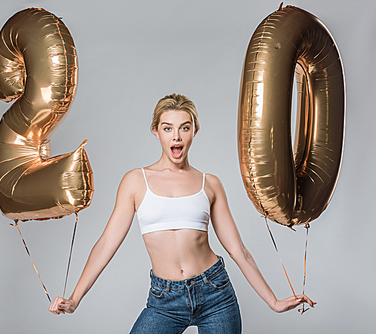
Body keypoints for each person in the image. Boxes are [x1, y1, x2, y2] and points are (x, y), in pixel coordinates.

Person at [48, 94, 315, 333]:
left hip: (216, 294)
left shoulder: (209, 184)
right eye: (168, 128)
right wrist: (75, 298)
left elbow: (239, 251)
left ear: (194, 131)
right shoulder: (135, 181)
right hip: (165, 300)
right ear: (156, 132)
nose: (176, 136)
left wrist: (274, 302)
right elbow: (106, 244)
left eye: (184, 128)